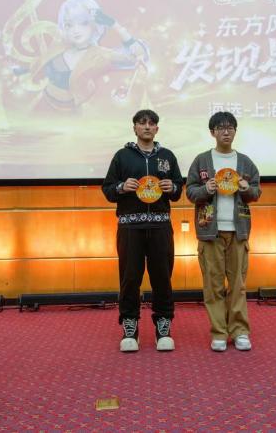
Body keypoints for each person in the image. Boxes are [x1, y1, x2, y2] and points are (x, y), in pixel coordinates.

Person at [102, 110, 184, 352]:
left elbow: (179, 189)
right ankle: (130, 326)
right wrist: (121, 186)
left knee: (162, 277)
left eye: (152, 123)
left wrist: (172, 187)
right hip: (130, 227)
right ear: (135, 128)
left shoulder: (167, 156)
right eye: (142, 123)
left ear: (157, 128)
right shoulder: (122, 156)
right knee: (129, 279)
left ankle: (163, 326)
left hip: (160, 226)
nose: (147, 127)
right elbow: (107, 189)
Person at [185, 111, 261, 352]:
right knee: (213, 285)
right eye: (221, 128)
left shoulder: (245, 162)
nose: (226, 132)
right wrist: (205, 189)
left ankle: (240, 331)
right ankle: (219, 332)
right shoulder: (202, 160)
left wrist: (247, 188)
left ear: (235, 131)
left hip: (238, 232)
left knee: (238, 285)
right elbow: (190, 192)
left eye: (230, 128)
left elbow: (256, 192)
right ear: (212, 132)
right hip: (210, 232)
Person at [16, 0, 148, 110]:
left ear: (95, 24)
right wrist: (23, 71)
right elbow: (41, 65)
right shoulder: (60, 47)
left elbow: (138, 57)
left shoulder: (101, 55)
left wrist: (114, 25)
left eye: (83, 23)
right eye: (69, 25)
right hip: (41, 104)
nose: (75, 30)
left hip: (69, 114)